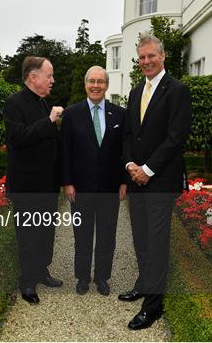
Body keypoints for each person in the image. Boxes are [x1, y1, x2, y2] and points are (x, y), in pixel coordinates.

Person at [119, 33, 192, 330]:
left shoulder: (178, 90)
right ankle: (143, 283)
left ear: (163, 57)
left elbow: (176, 137)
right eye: (142, 57)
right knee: (140, 238)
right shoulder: (136, 91)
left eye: (151, 56)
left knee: (157, 242)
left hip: (161, 181)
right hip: (136, 179)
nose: (147, 61)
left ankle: (153, 307)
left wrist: (148, 169)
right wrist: (129, 165)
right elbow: (127, 134)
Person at [2, 56, 64, 304]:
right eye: (49, 75)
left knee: (46, 232)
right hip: (26, 187)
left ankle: (41, 271)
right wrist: (49, 121)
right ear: (33, 77)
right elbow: (19, 138)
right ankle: (27, 282)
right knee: (28, 235)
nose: (52, 80)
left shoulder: (41, 103)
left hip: (47, 186)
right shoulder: (13, 104)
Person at [60, 66, 126, 297]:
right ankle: (82, 277)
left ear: (107, 85)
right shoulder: (71, 114)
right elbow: (65, 152)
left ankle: (102, 278)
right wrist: (67, 182)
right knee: (82, 234)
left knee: (108, 235)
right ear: (85, 84)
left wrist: (124, 181)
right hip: (81, 188)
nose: (96, 85)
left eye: (100, 81)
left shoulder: (119, 114)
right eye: (91, 81)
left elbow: (124, 152)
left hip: (110, 187)